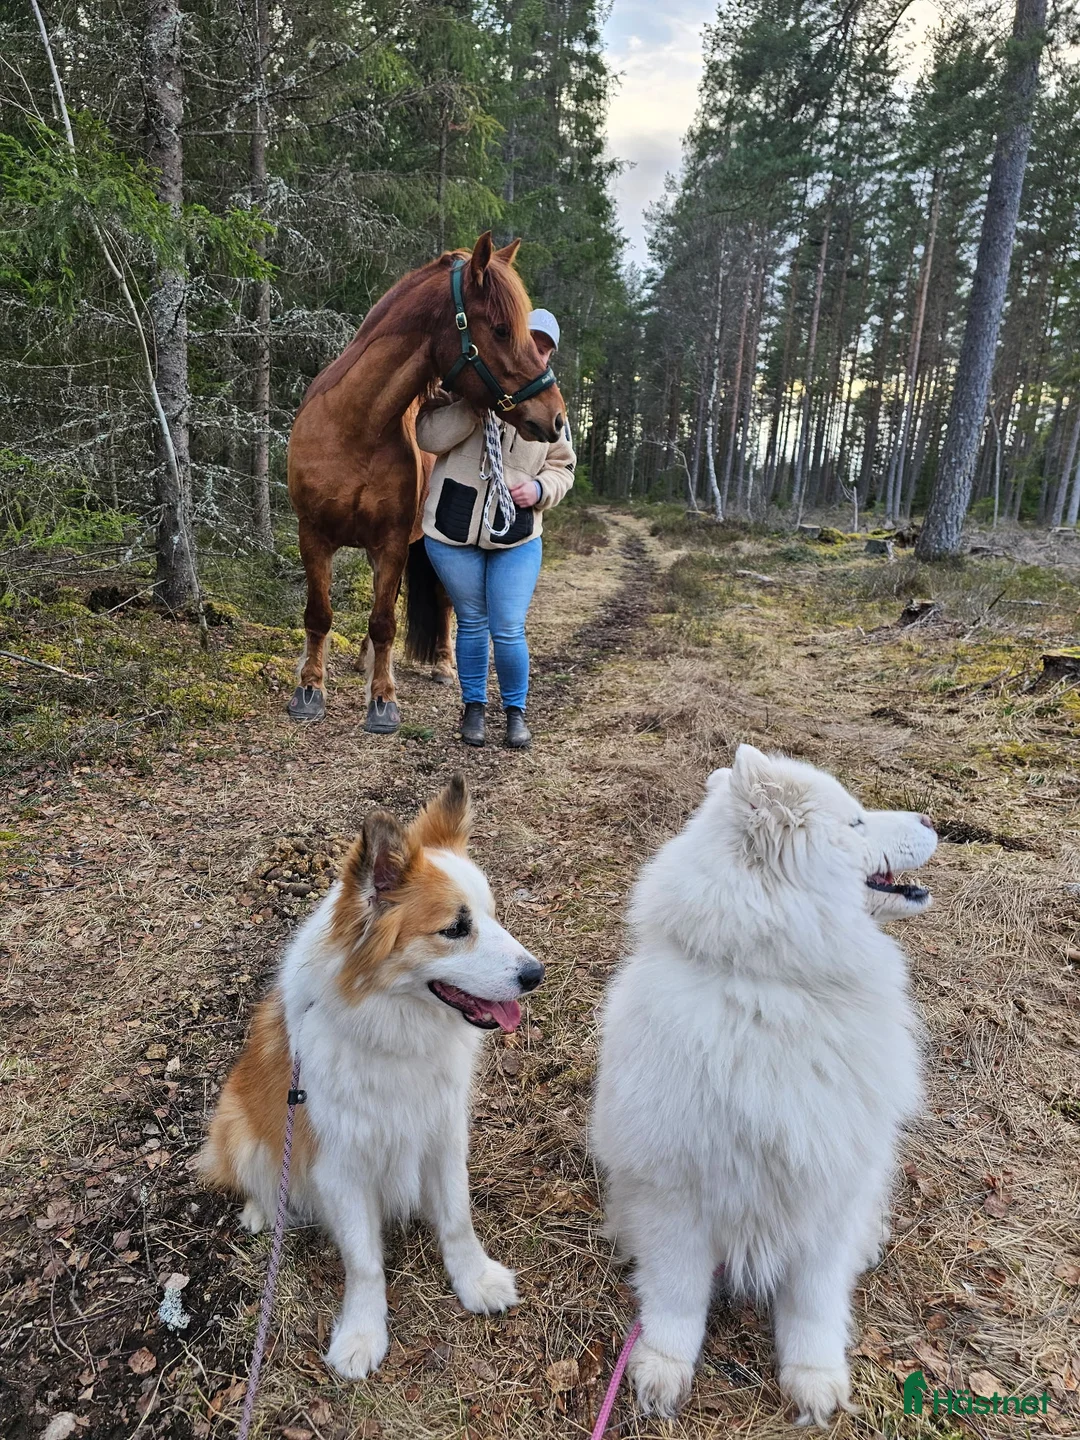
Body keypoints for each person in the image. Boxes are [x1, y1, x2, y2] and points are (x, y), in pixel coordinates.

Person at [415, 309, 574, 749]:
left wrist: (540, 487)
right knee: (471, 621)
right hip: (452, 532)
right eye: (532, 341)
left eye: (546, 348)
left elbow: (564, 466)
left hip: (517, 536)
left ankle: (515, 712)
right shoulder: (466, 387)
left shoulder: (547, 401)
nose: (538, 351)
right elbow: (427, 437)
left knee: (507, 626)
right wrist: (475, 404)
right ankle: (473, 709)